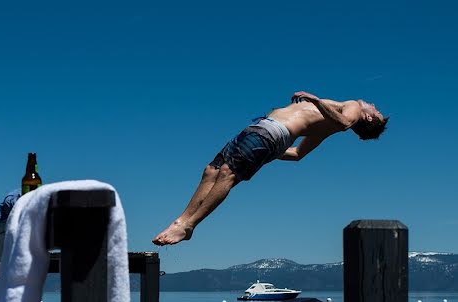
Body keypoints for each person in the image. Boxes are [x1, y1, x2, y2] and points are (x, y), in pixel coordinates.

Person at [153, 92, 388, 246]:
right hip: (262, 131)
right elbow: (296, 154)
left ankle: (189, 225)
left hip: (269, 133)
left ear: (367, 119)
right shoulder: (326, 125)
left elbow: (345, 123)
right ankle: (181, 222)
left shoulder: (353, 108)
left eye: (375, 110)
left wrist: (315, 99)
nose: (374, 105)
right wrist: (271, 152)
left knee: (227, 173)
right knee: (211, 171)